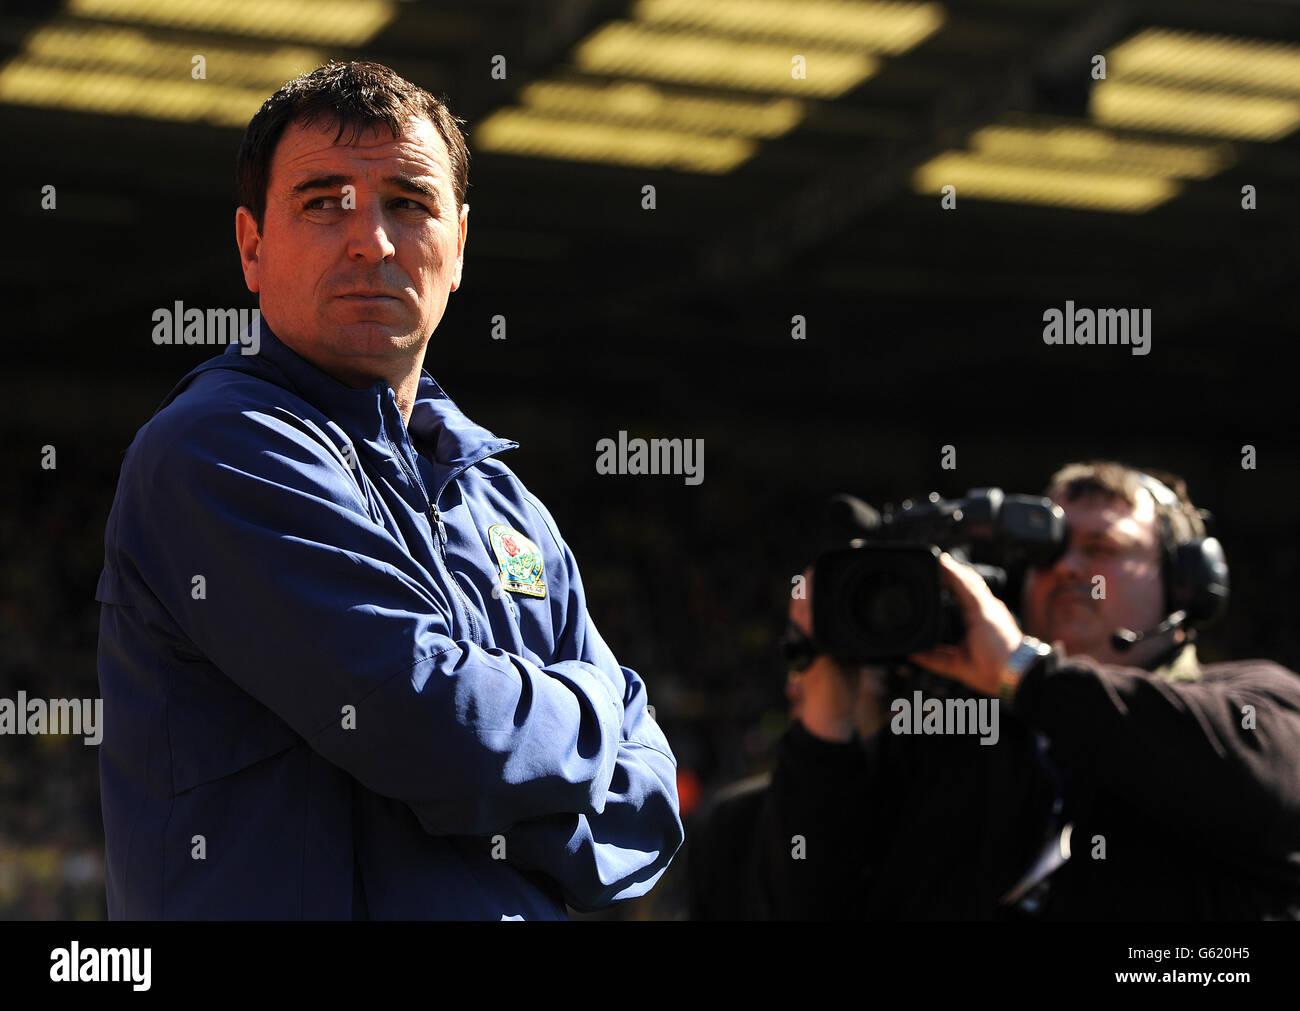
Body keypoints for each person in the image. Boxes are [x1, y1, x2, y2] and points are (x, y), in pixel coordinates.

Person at [95, 61, 681, 920]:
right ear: (252, 246)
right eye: (323, 200)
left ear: (460, 245)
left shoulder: (508, 507)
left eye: (409, 202)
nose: (370, 238)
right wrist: (590, 718)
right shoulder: (219, 447)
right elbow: (424, 721)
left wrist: (487, 778)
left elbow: (652, 814)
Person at [695, 462, 1300, 919]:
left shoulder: (1259, 705)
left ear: (1187, 588)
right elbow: (806, 905)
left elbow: (1231, 773)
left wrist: (1023, 672)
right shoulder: (959, 746)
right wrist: (831, 716)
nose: (1065, 568)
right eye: (1046, 555)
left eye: (1101, 548)